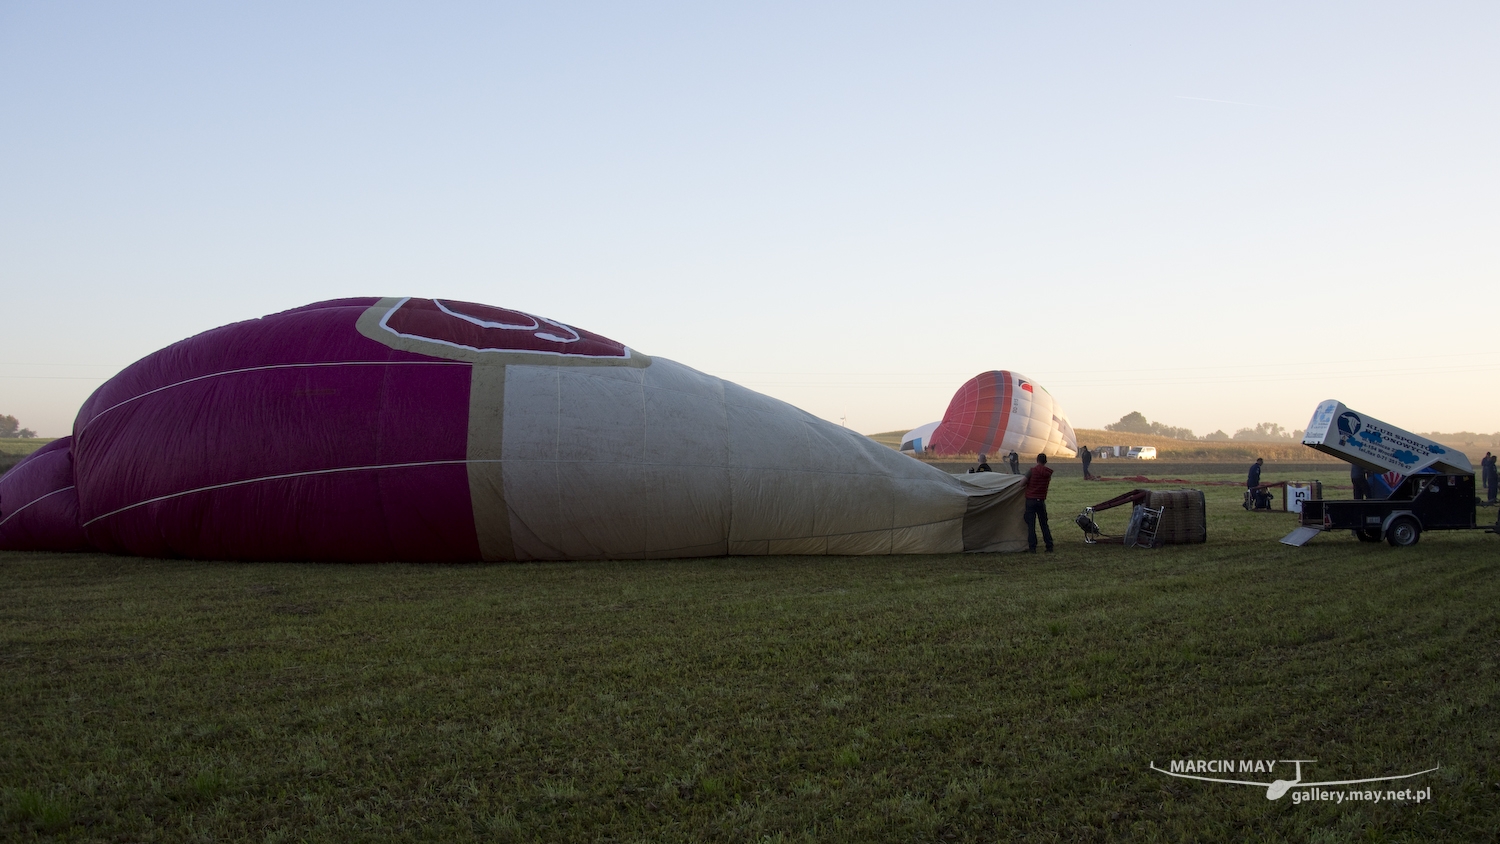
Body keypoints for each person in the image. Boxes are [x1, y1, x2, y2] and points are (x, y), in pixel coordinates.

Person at [1023, 453, 1054, 552]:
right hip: (1041, 501)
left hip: (1031, 501)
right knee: (1044, 524)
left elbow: (1021, 483)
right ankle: (1049, 546)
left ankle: (1032, 548)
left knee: (1031, 525)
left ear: (1037, 460)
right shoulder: (1048, 473)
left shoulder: (1032, 471)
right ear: (1046, 461)